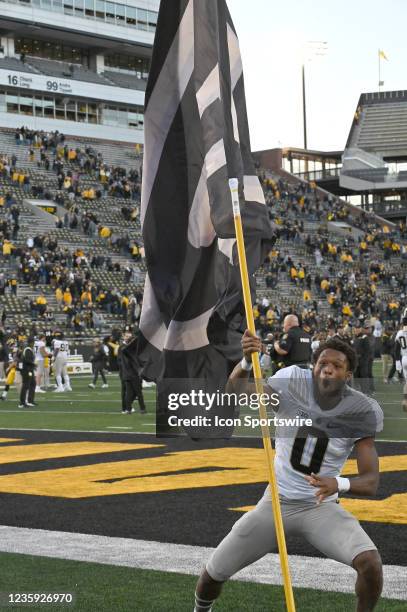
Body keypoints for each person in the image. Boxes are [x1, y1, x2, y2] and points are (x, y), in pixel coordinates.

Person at [194, 333, 384, 612]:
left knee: (370, 564)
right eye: (322, 363)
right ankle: (200, 609)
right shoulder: (293, 380)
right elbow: (235, 392)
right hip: (277, 502)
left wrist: (338, 483)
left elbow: (371, 482)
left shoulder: (361, 410)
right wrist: (247, 362)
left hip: (320, 506)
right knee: (213, 574)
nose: (327, 368)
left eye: (336, 365)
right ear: (313, 365)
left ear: (349, 375)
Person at [117, 331, 146, 414]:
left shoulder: (124, 348)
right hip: (130, 373)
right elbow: (130, 362)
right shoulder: (125, 348)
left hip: (127, 373)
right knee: (135, 392)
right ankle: (139, 408)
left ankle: (128, 408)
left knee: (129, 392)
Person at [18, 337, 37, 408]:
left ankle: (30, 401)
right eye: (33, 342)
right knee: (26, 385)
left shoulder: (27, 349)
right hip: (26, 370)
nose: (34, 343)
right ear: (31, 342)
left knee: (32, 384)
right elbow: (27, 360)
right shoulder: (28, 349)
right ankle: (22, 403)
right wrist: (34, 364)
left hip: (29, 369)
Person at [394, 317, 407, 411]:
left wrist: (397, 363)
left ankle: (405, 400)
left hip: (404, 359)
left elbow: (396, 350)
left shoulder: (399, 333)